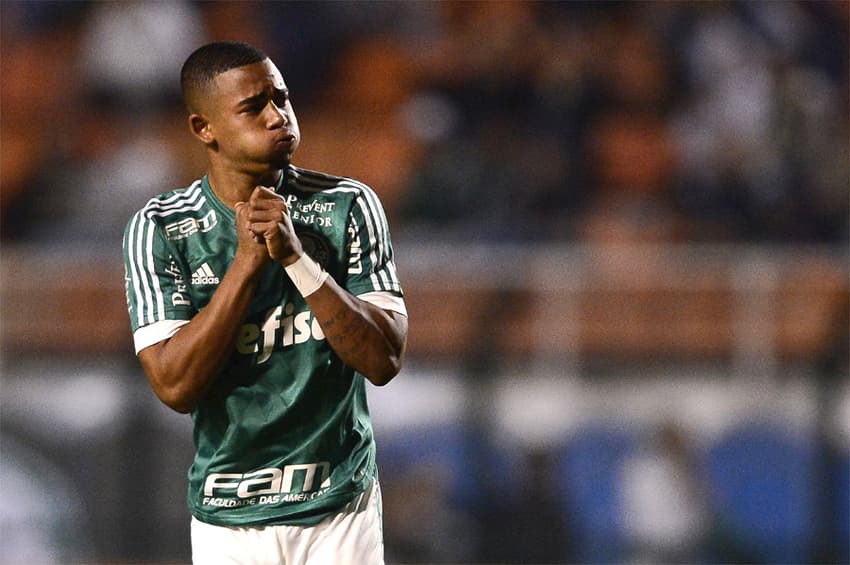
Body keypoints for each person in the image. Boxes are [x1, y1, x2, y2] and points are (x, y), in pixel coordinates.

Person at [122, 41, 408, 564]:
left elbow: (384, 359)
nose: (279, 117)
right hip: (228, 518)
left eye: (282, 99)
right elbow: (174, 384)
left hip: (339, 506)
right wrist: (245, 267)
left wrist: (299, 262)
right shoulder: (163, 228)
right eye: (254, 107)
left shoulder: (347, 206)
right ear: (204, 129)